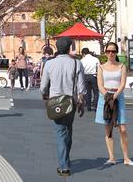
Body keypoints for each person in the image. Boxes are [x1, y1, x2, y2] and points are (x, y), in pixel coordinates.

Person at [40, 37, 85, 177]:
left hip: (55, 102)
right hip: (70, 101)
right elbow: (81, 87)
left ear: (57, 48)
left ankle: (64, 166)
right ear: (69, 47)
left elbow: (43, 87)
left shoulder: (49, 64)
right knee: (68, 130)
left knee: (60, 133)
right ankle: (66, 158)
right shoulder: (77, 63)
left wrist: (45, 95)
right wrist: (81, 102)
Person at [95, 42, 133, 166]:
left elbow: (122, 84)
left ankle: (126, 158)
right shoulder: (101, 67)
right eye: (108, 51)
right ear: (105, 52)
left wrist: (114, 96)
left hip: (118, 97)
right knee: (108, 129)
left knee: (122, 128)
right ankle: (112, 157)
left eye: (113, 51)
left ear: (116, 52)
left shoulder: (122, 66)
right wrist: (107, 96)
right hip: (105, 98)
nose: (111, 54)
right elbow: (100, 85)